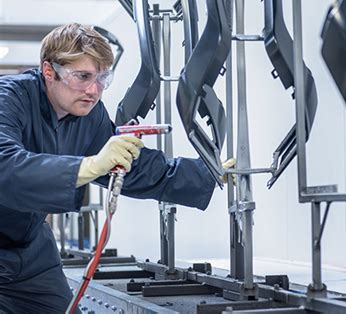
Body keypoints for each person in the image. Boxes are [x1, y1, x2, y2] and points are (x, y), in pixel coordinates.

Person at [0, 23, 216, 313]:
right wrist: (89, 165)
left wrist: (210, 173)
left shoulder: (89, 114)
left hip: (30, 249)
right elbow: (5, 167)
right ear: (49, 71)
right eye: (83, 76)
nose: (94, 90)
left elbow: (129, 167)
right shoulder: (9, 99)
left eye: (103, 78)